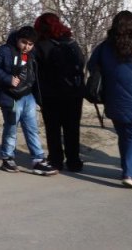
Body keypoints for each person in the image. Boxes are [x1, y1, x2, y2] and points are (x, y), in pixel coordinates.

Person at [0, 24, 59, 175]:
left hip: (28, 96)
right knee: (11, 127)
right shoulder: (4, 50)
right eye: (24, 42)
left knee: (32, 128)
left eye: (30, 44)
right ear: (17, 39)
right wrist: (8, 79)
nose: (26, 47)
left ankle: (38, 160)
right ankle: (8, 158)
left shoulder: (32, 53)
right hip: (10, 97)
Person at [87, 10, 132, 189]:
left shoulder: (105, 47)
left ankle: (127, 169)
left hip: (113, 99)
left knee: (124, 135)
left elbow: (92, 66)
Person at [33, 12, 86, 172]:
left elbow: (34, 69)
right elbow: (81, 63)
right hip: (74, 92)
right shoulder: (72, 43)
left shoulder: (41, 46)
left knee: (53, 128)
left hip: (51, 93)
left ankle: (56, 160)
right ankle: (74, 161)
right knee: (72, 128)